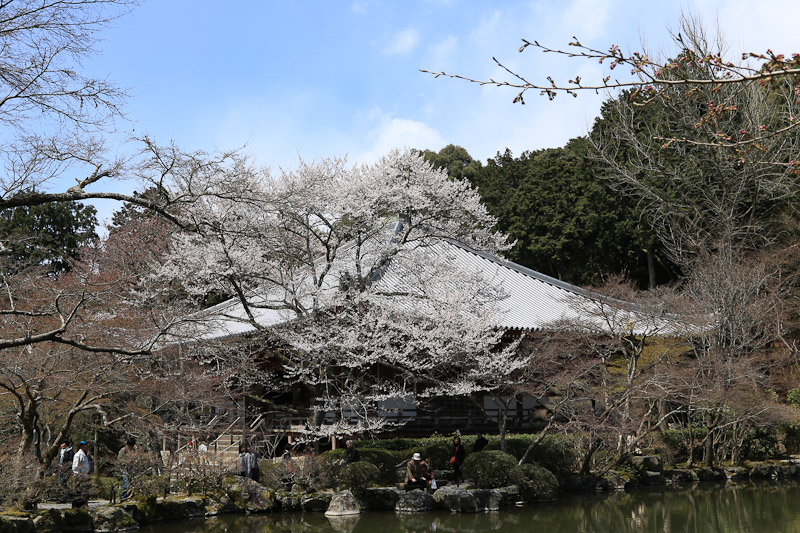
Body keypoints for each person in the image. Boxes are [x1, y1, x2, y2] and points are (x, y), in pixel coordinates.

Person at [72, 441, 91, 506]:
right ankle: (78, 506)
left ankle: (84, 505)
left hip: (85, 475)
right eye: (85, 445)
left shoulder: (86, 454)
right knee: (79, 492)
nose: (87, 447)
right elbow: (75, 467)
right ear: (82, 446)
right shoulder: (78, 455)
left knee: (85, 492)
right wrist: (77, 476)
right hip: (80, 476)